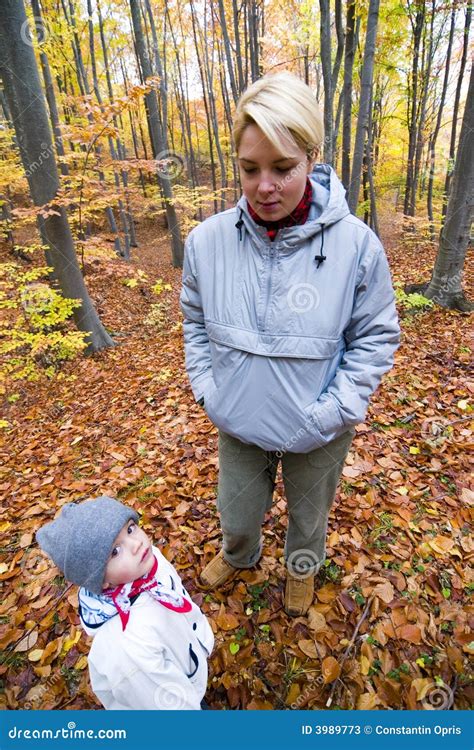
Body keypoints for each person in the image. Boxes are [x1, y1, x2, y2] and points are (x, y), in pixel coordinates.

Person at [180, 72, 400, 617]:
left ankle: (301, 568)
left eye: (283, 168)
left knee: (309, 516)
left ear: (311, 156)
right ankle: (239, 553)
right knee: (236, 510)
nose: (264, 186)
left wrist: (334, 410)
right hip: (238, 420)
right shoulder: (207, 242)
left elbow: (375, 336)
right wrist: (211, 390)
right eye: (249, 168)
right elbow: (193, 320)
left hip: (318, 425)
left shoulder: (356, 245)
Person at [36, 495, 214, 710]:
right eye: (115, 551)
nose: (136, 543)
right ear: (101, 581)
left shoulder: (149, 562)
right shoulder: (127, 648)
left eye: (130, 529)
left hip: (186, 661)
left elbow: (178, 597)